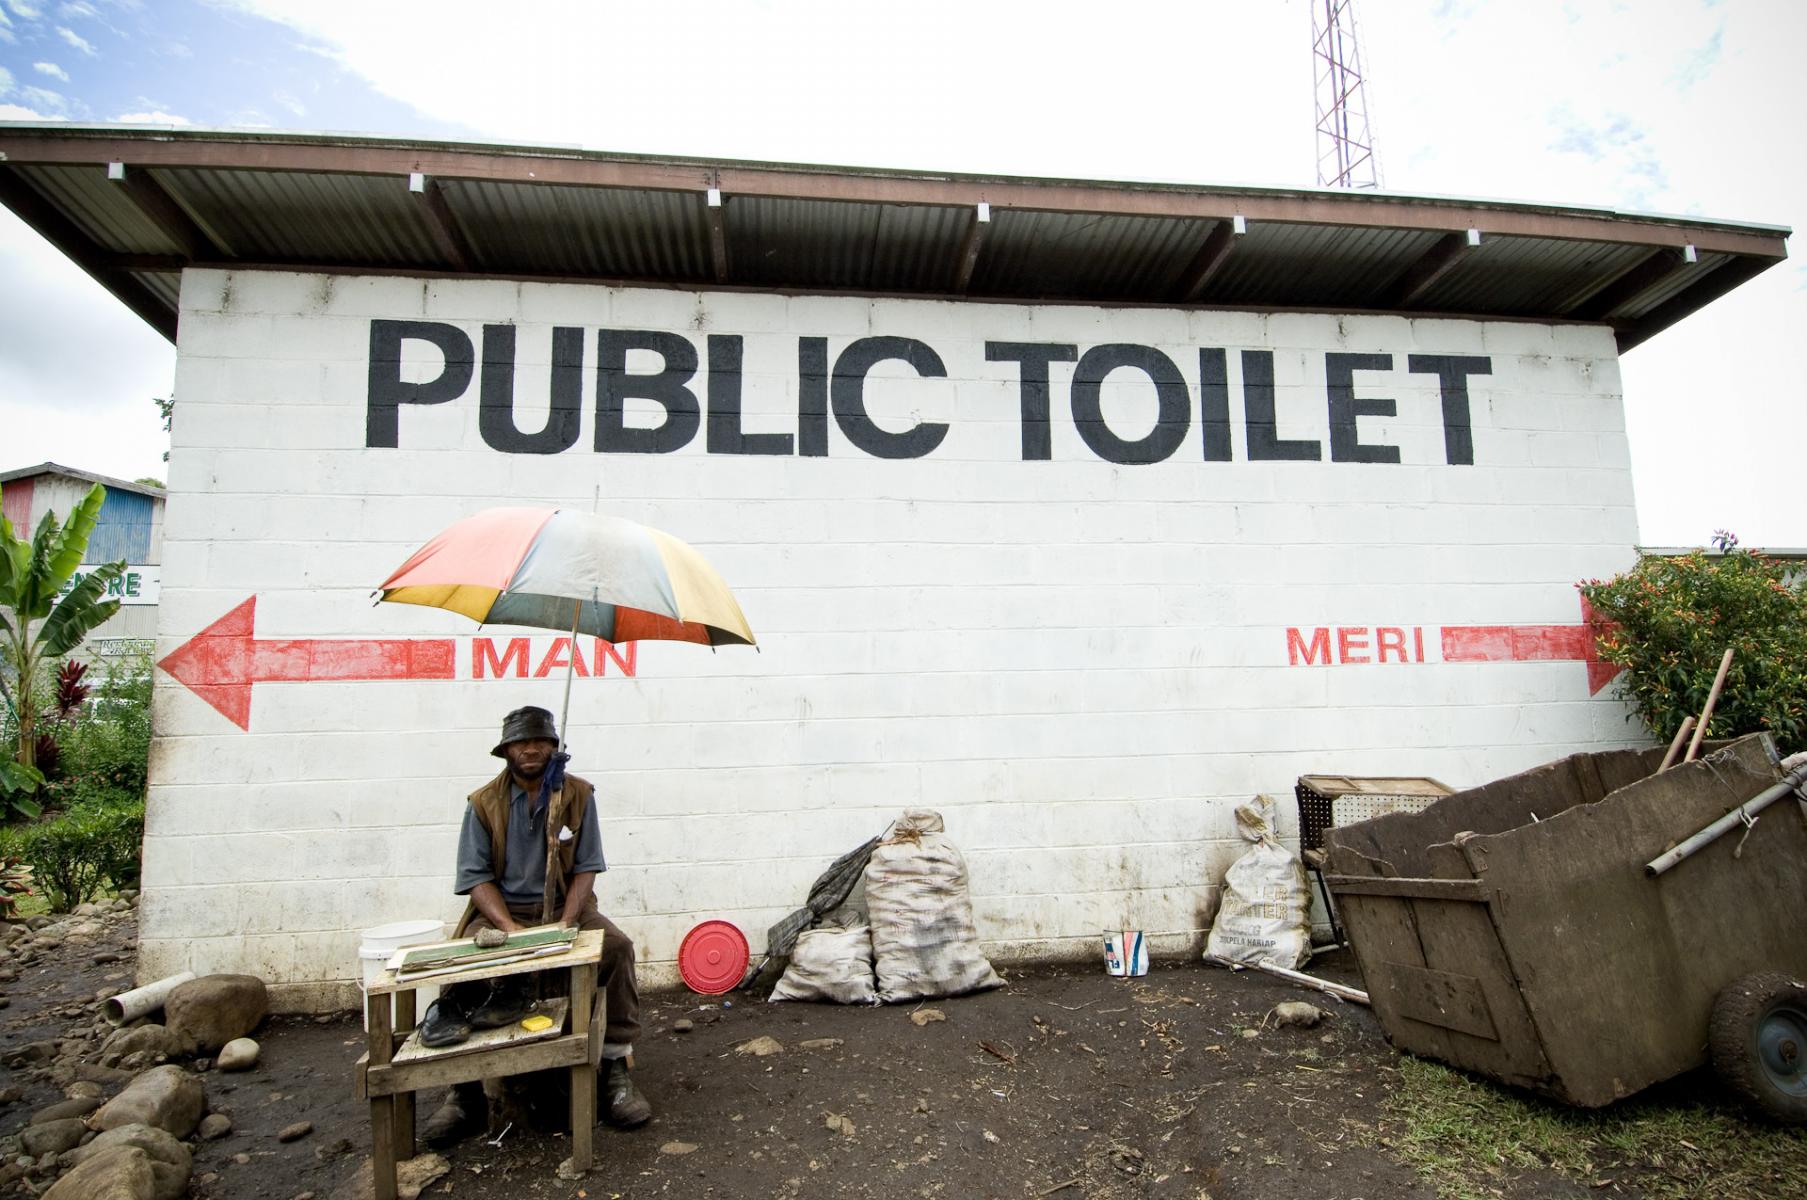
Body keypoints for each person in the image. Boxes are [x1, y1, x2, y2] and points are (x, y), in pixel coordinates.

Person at [421, 705, 651, 1146]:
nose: (531, 748)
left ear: (553, 747)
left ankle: (615, 1067)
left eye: (540, 740)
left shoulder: (578, 795)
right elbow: (474, 878)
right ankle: (464, 1092)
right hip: (501, 913)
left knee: (617, 948)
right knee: (459, 963)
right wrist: (511, 930)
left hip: (568, 907)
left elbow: (587, 867)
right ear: (506, 749)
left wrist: (565, 923)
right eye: (521, 742)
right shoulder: (482, 803)